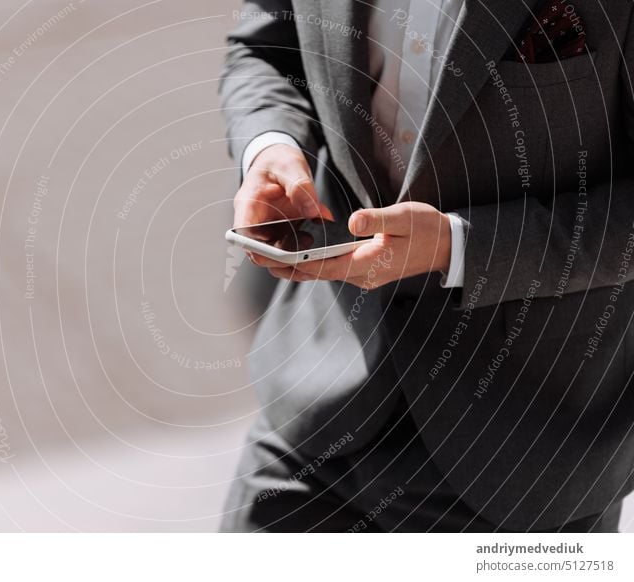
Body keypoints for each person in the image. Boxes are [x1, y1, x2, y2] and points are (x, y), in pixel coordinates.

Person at [218, 0, 634, 532]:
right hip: (316, 406)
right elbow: (265, 47)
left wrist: (460, 247)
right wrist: (269, 148)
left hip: (526, 452)